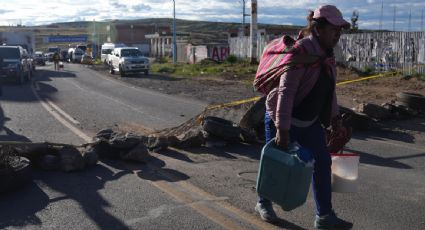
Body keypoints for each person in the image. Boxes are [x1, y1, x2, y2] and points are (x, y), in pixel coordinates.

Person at [255, 5, 353, 230]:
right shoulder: (301, 52)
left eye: (340, 29)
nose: (337, 33)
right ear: (318, 29)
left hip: (308, 122)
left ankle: (324, 217)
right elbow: (285, 93)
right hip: (282, 118)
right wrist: (283, 129)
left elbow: (330, 90)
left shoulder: (327, 55)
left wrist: (335, 119)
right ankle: (263, 203)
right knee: (274, 164)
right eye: (333, 28)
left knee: (323, 163)